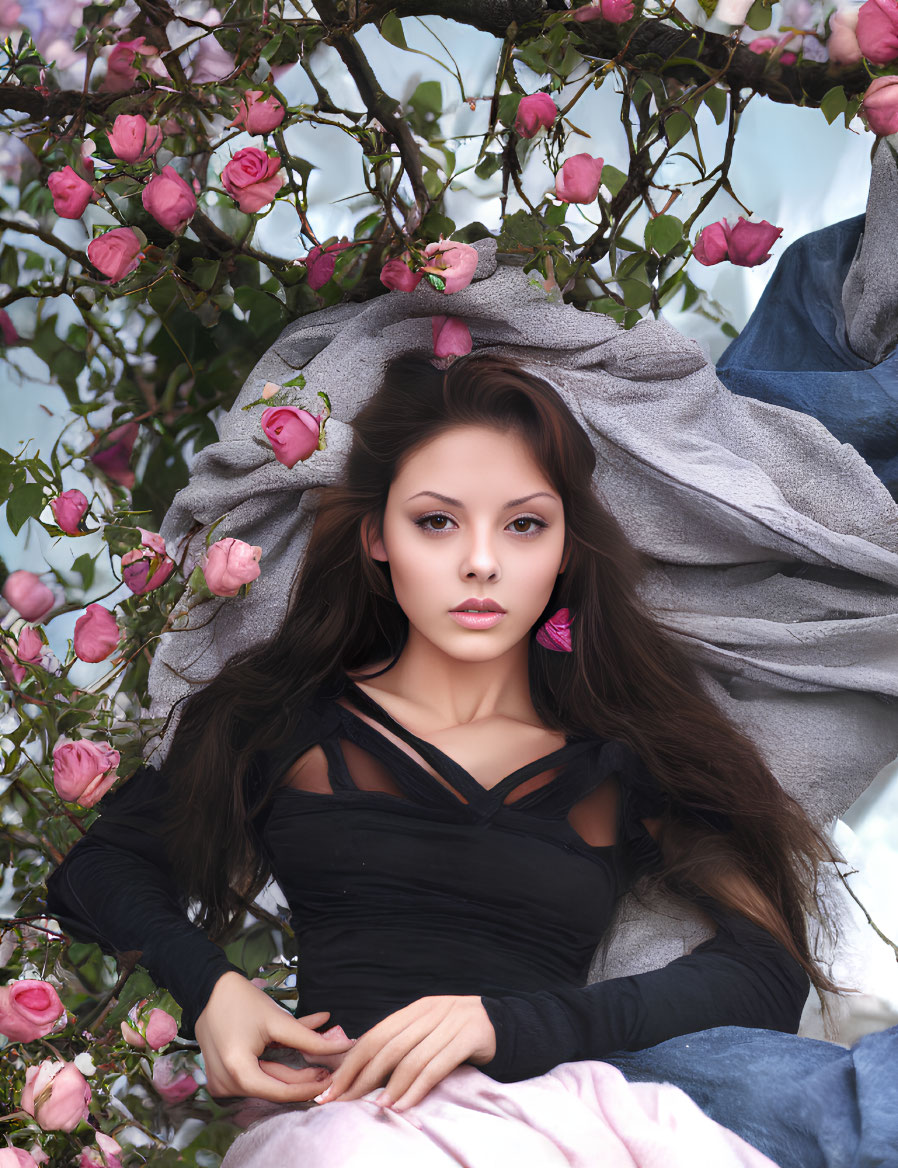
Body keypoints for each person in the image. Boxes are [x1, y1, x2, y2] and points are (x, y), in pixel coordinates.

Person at [45, 352, 896, 1168]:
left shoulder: (624, 753)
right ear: (378, 535)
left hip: (566, 1116)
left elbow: (763, 973)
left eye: (524, 525)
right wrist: (214, 990)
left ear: (565, 548)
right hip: (348, 1126)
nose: (482, 562)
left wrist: (514, 1024)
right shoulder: (279, 716)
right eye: (437, 522)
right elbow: (99, 873)